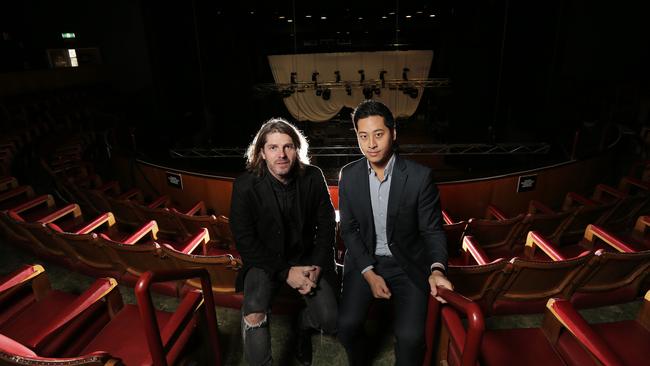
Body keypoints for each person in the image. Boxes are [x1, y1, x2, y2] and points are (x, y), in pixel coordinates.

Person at [337, 100, 453, 365]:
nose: (371, 144)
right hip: (365, 261)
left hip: (407, 263)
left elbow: (432, 230)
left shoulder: (420, 177)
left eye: (379, 134)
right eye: (363, 136)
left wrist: (437, 269)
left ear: (393, 133)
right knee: (346, 327)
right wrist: (368, 272)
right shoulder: (349, 175)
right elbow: (349, 229)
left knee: (411, 338)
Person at [230, 118, 338, 366]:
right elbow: (245, 240)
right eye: (273, 147)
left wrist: (319, 265)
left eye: (288, 146)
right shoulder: (245, 185)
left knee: (331, 320)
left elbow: (327, 224)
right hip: (264, 261)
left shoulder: (313, 177)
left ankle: (302, 327)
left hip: (307, 257)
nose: (281, 154)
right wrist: (285, 272)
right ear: (261, 153)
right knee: (254, 312)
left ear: (297, 149)